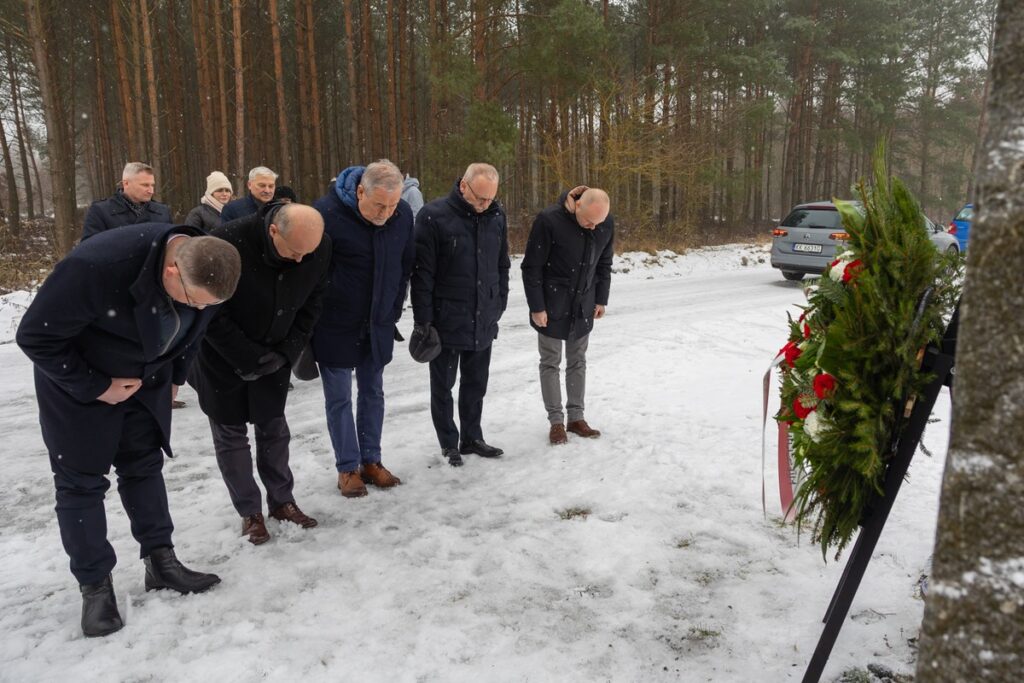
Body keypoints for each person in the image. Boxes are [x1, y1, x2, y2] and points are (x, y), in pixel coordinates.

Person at [16, 223, 241, 638]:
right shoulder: (97, 267)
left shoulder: (207, 266)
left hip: (147, 381)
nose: (201, 308)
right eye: (195, 300)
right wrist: (97, 386)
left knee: (144, 467)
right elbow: (34, 337)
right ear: (172, 271)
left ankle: (161, 562)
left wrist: (175, 376)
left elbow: (195, 330)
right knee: (81, 484)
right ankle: (95, 587)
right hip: (80, 387)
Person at [188, 202, 330, 544]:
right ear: (273, 231)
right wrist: (247, 356)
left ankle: (282, 501)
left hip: (276, 354)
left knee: (274, 429)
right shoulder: (225, 243)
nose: (301, 260)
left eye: (307, 253)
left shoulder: (317, 246)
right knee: (230, 435)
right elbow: (209, 310)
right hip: (222, 357)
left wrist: (287, 352)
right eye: (294, 252)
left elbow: (313, 302)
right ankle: (249, 512)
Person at [311, 159, 414, 498]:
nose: (387, 213)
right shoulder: (326, 215)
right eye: (379, 205)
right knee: (339, 397)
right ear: (359, 192)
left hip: (378, 323)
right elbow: (311, 274)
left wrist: (393, 309)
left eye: (393, 204)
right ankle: (347, 467)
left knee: (373, 393)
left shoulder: (403, 216)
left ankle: (371, 460)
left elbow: (403, 266)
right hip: (335, 324)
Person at [411, 163, 510, 467]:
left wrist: (500, 302)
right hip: (445, 318)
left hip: (484, 314)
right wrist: (424, 321)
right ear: (464, 186)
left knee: (476, 383)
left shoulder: (496, 215)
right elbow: (422, 274)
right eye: (480, 198)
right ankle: (448, 443)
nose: (485, 204)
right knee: (443, 386)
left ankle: (472, 437)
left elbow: (502, 264)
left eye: (490, 198)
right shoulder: (433, 216)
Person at [521, 187, 614, 445]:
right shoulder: (549, 220)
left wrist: (600, 299)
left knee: (578, 361)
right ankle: (556, 422)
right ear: (577, 205)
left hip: (584, 304)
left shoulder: (604, 222)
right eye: (589, 221)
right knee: (550, 362)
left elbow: (604, 263)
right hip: (552, 304)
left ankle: (576, 418)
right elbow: (532, 267)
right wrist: (537, 307)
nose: (594, 227)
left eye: (598, 223)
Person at [82, 162, 172, 239]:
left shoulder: (162, 212)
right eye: (145, 185)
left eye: (152, 185)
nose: (151, 191)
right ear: (126, 183)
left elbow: (172, 246)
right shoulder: (101, 212)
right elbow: (90, 249)